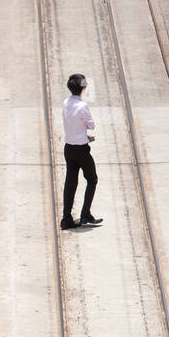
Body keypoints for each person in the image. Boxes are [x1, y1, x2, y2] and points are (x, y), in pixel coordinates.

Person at [61, 72, 101, 229]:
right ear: (82, 88)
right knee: (92, 179)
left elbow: (72, 123)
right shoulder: (82, 106)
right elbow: (92, 125)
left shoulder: (66, 102)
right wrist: (84, 136)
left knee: (70, 183)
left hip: (68, 148)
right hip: (81, 150)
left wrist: (82, 135)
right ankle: (85, 214)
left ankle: (66, 218)